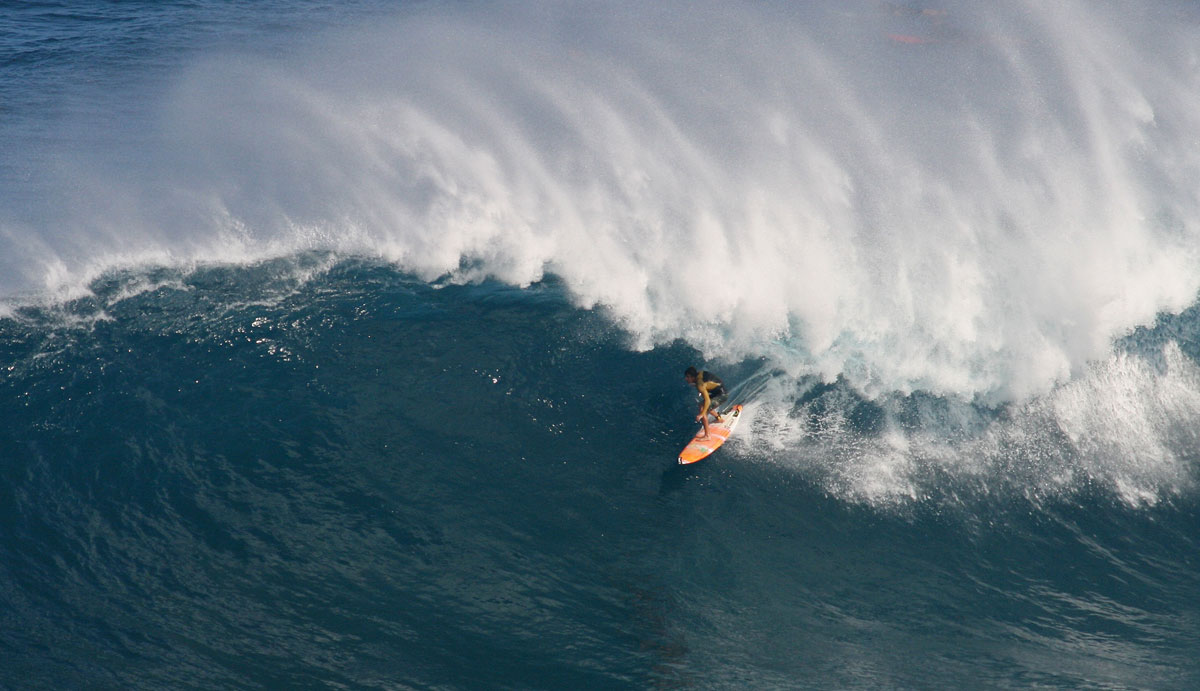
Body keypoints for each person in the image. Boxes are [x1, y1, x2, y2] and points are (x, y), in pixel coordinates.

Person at [684, 367, 727, 439]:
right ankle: (719, 418)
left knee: (703, 407)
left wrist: (702, 414)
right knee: (703, 405)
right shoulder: (699, 374)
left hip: (722, 395)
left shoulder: (699, 385)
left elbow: (707, 401)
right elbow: (707, 382)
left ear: (692, 377)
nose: (686, 379)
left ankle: (707, 435)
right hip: (718, 392)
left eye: (688, 377)